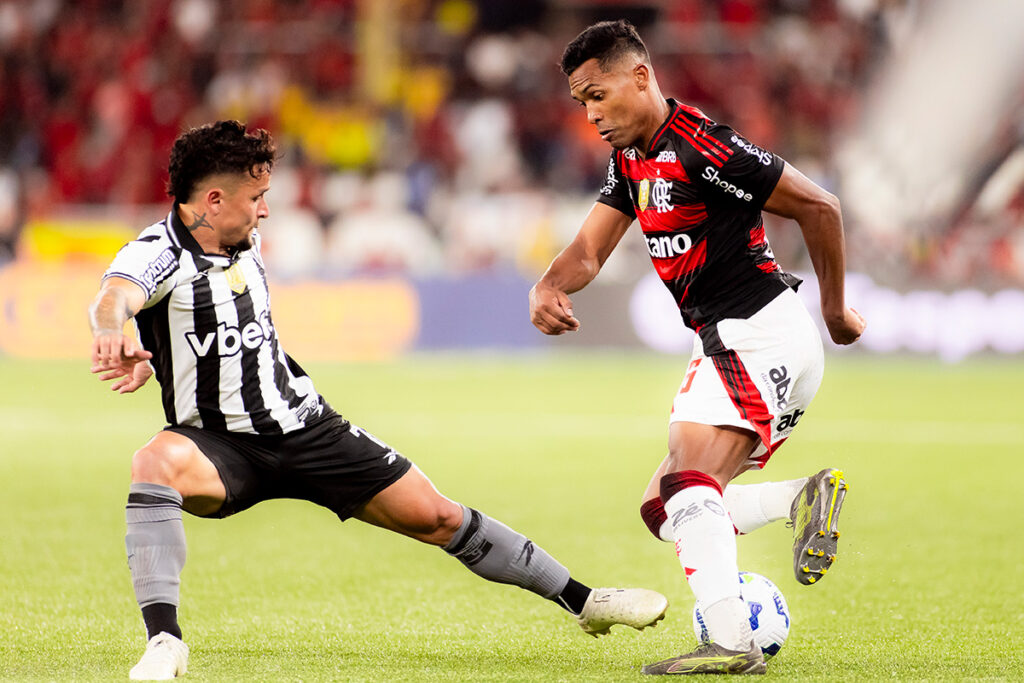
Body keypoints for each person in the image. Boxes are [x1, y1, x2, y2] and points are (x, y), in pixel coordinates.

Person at [89, 120, 668, 681]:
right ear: (212, 201)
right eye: (257, 197)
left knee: (440, 516)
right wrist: (116, 330)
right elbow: (116, 295)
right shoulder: (156, 253)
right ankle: (164, 642)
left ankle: (585, 600)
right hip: (218, 445)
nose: (265, 210)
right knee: (152, 463)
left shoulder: (241, 233)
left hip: (308, 427)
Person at [529, 20, 866, 675]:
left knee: (689, 481)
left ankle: (733, 641)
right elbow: (590, 250)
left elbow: (820, 207)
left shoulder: (702, 147)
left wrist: (836, 310)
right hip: (730, 340)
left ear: (641, 77)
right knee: (666, 506)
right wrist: (549, 285)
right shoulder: (630, 159)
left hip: (758, 330)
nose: (592, 114)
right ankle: (802, 496)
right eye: (581, 103)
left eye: (598, 95)